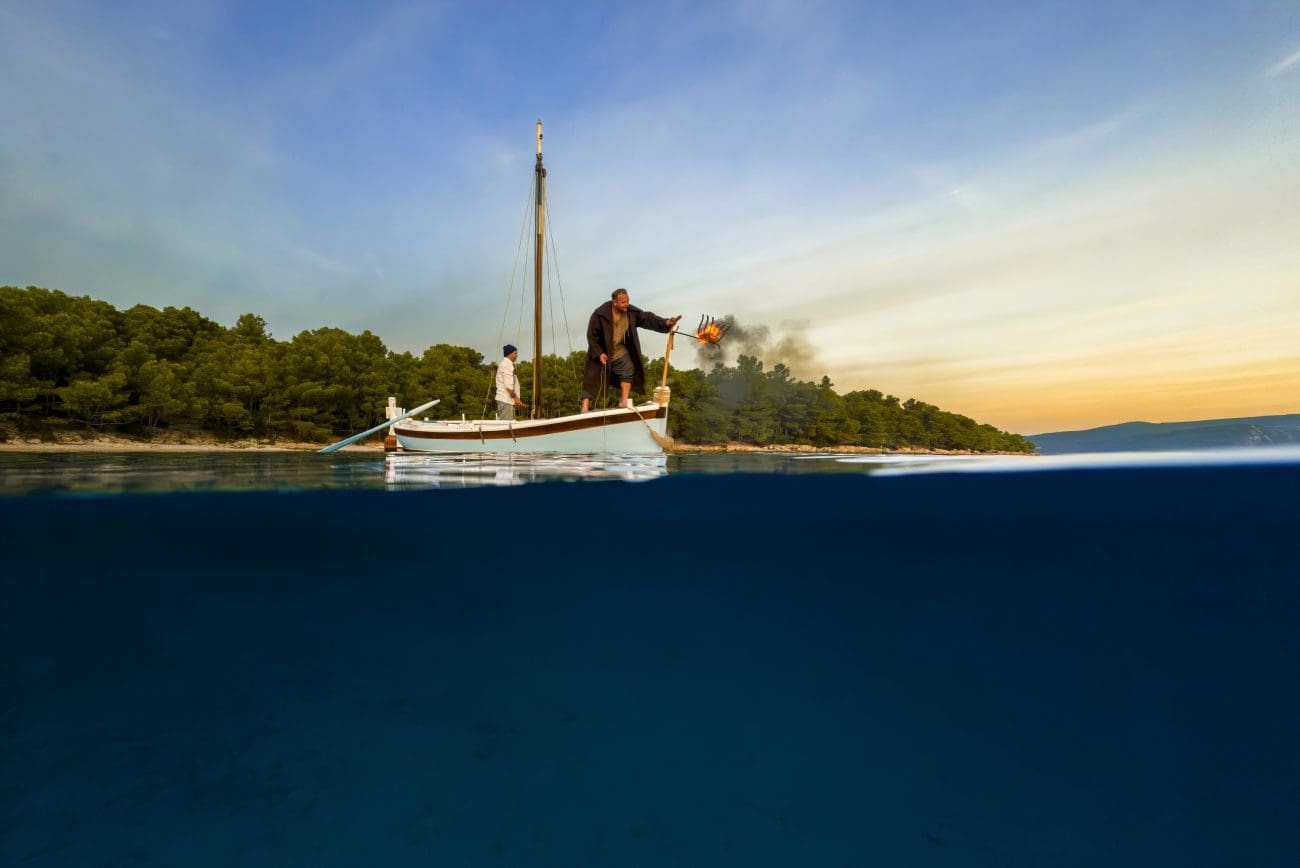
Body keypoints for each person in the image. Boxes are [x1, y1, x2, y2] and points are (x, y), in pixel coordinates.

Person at [581, 289, 680, 412]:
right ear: (614, 302)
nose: (626, 304)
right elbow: (592, 337)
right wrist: (599, 353)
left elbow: (647, 318)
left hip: (618, 350)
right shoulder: (599, 315)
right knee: (592, 377)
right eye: (623, 302)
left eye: (627, 301)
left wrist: (665, 322)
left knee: (628, 367)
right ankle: (584, 407)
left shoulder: (631, 312)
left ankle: (624, 402)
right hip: (602, 350)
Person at [495, 344, 525, 420]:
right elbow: (508, 385)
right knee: (507, 425)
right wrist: (516, 399)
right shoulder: (506, 365)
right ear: (510, 353)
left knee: (510, 424)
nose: (517, 355)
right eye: (515, 353)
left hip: (507, 400)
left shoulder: (506, 364)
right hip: (506, 400)